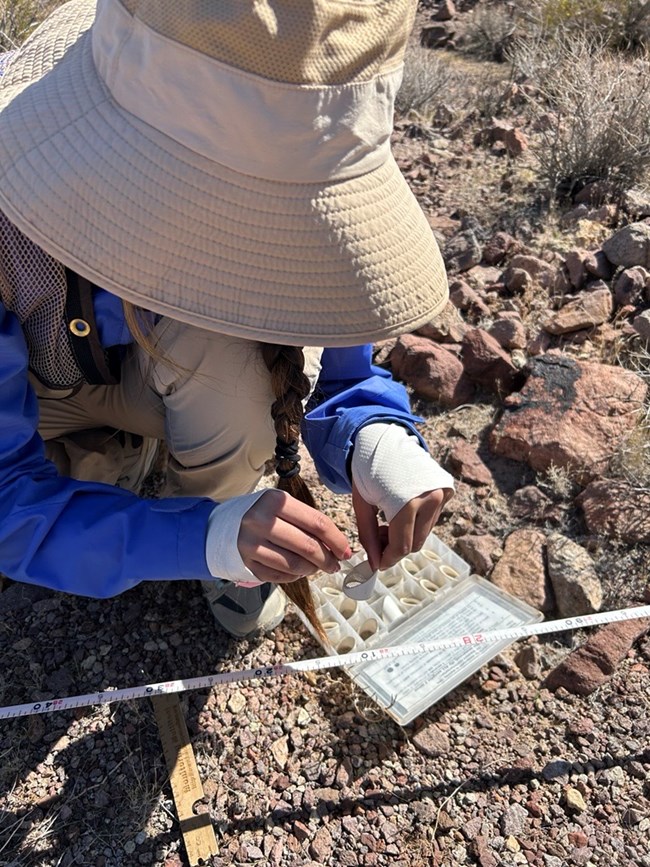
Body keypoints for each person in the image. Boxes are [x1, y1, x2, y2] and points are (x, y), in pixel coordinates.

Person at [0, 0, 454, 640]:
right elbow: (4, 500)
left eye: (284, 203)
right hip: (25, 397)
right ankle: (125, 485)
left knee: (237, 372)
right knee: (49, 505)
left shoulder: (300, 136)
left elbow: (336, 373)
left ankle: (207, 520)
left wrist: (375, 439)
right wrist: (194, 538)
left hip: (137, 377)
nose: (264, 224)